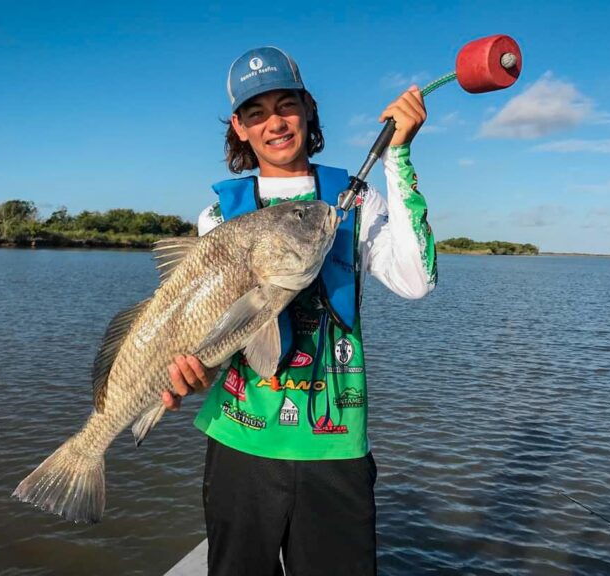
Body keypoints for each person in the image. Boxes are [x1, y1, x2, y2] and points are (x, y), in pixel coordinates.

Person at [163, 46, 436, 575]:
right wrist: (191, 373)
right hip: (238, 442)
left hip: (334, 448)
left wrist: (398, 159)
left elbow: (417, 280)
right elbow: (214, 331)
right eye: (256, 113)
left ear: (308, 110)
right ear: (240, 129)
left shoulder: (357, 202)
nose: (275, 123)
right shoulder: (217, 217)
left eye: (286, 105)